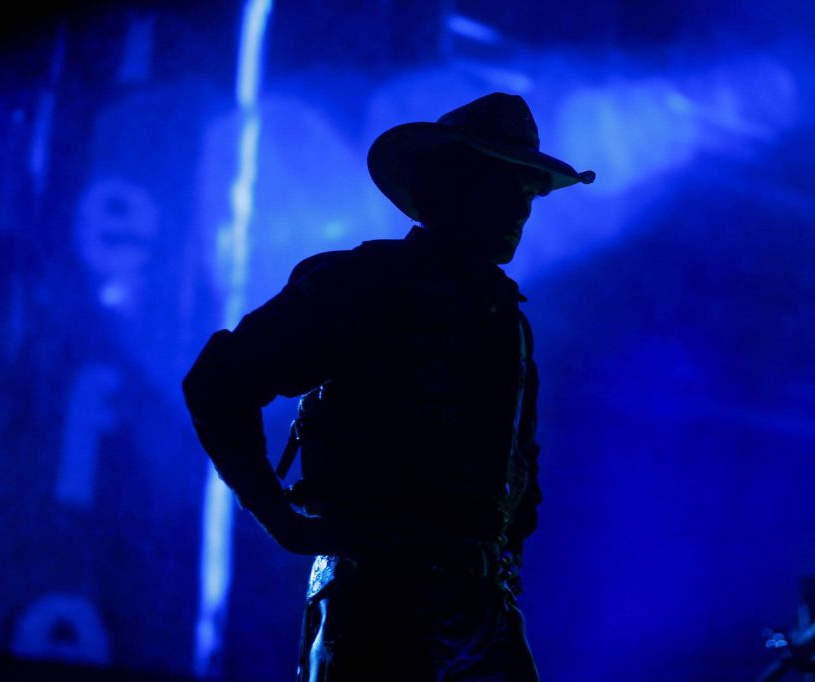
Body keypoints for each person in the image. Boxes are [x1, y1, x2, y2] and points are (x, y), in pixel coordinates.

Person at [182, 92, 594, 681]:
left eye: (529, 192)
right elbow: (219, 380)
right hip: (375, 607)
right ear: (449, 187)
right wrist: (284, 520)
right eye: (505, 185)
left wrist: (496, 562)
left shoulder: (507, 319)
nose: (521, 210)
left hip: (478, 612)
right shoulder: (363, 285)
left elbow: (517, 468)